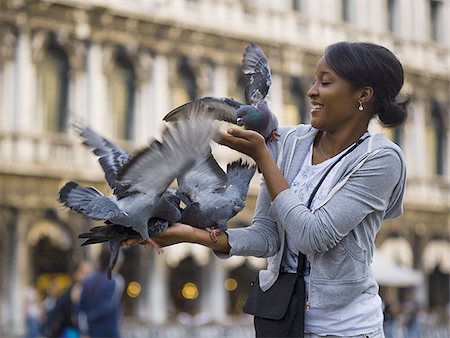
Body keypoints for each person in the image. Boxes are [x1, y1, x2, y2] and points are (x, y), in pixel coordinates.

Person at [125, 41, 408, 337]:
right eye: (314, 81)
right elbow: (267, 236)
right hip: (282, 323)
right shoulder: (289, 143)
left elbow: (313, 235)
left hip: (347, 330)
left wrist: (263, 157)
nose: (312, 91)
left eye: (325, 82)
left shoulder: (381, 159)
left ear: (363, 95)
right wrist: (191, 235)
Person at [78, 248, 124, 338]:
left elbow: (81, 307)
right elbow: (107, 307)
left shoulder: (88, 280)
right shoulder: (113, 281)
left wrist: (84, 328)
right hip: (108, 330)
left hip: (92, 330)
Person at [42, 260, 93, 338]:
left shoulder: (94, 292)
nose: (89, 276)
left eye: (90, 273)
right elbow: (55, 312)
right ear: (76, 274)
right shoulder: (69, 294)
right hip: (72, 333)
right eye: (86, 273)